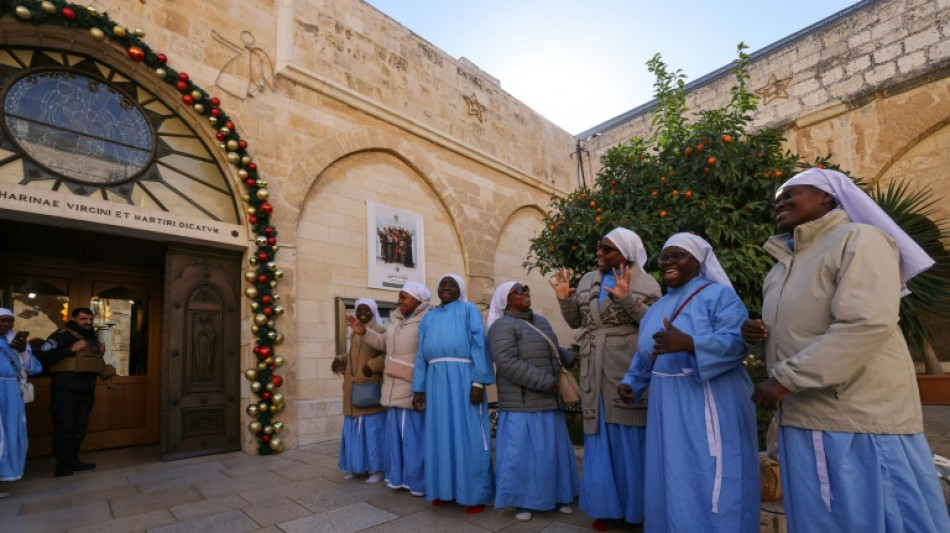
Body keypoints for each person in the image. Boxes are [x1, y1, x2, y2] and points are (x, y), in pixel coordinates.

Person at [743, 168, 950, 532]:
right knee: (823, 520)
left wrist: (785, 379)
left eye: (792, 194)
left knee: (885, 518)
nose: (780, 203)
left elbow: (864, 323)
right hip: (804, 417)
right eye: (777, 200)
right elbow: (802, 328)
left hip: (858, 419)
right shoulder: (779, 269)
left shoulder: (860, 239)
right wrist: (757, 335)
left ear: (827, 197)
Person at [619, 234, 760, 532]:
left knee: (709, 475)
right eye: (664, 256)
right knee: (670, 476)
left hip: (708, 401)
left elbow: (738, 342)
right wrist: (633, 382)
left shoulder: (719, 296)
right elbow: (647, 353)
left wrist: (692, 344)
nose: (667, 261)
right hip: (664, 404)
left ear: (698, 262)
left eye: (677, 255)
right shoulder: (657, 308)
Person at [550, 227, 661, 531]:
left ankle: (636, 510)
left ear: (626, 252)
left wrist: (627, 300)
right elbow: (577, 321)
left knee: (630, 438)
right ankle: (607, 508)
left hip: (626, 363)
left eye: (607, 249)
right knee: (598, 437)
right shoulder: (588, 279)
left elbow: (654, 324)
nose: (599, 253)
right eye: (599, 248)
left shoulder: (647, 282)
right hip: (592, 365)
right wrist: (564, 299)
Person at [487, 281, 579, 522]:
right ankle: (522, 501)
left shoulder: (540, 321)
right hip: (523, 404)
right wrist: (545, 382)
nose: (524, 292)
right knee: (523, 456)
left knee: (551, 454)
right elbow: (507, 363)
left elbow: (553, 349)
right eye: (518, 290)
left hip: (550, 401)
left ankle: (559, 496)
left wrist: (572, 357)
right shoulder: (501, 326)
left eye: (526, 288)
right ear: (505, 299)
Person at [411, 273, 494, 513]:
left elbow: (480, 346)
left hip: (464, 378)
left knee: (468, 437)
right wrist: (419, 388)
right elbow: (420, 355)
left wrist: (479, 382)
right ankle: (443, 490)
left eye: (452, 284)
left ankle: (475, 495)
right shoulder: (429, 317)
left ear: (461, 289)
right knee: (440, 437)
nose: (446, 288)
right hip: (436, 382)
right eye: (442, 284)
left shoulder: (468, 310)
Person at [348, 282, 431, 496]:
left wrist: (419, 385)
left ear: (418, 299)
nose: (399, 301)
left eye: (404, 297)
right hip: (392, 388)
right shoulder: (396, 320)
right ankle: (398, 478)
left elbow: (426, 354)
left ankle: (417, 481)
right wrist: (364, 332)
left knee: (414, 439)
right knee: (397, 438)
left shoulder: (427, 320)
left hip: (412, 388)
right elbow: (385, 344)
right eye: (399, 297)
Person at [36, 307, 106, 477]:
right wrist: (70, 350)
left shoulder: (91, 337)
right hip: (65, 390)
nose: (88, 322)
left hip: (86, 389)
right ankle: (63, 466)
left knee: (80, 427)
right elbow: (41, 356)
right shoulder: (61, 335)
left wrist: (99, 352)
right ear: (73, 319)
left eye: (90, 319)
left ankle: (73, 460)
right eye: (84, 319)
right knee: (64, 427)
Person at [334, 298, 387, 483]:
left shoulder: (380, 330)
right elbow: (354, 355)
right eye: (359, 310)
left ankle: (377, 469)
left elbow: (387, 354)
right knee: (353, 431)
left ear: (373, 311)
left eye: (366, 310)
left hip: (369, 390)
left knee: (372, 432)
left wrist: (373, 366)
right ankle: (356, 467)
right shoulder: (354, 333)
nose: (362, 313)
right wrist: (340, 359)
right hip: (352, 389)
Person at [0, 308, 42, 494]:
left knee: (11, 433)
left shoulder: (14, 341)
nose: (7, 324)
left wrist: (24, 350)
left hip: (11, 393)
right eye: (3, 320)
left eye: (10, 321)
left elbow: (34, 369)